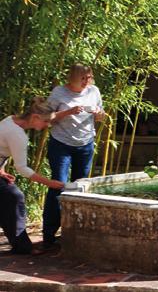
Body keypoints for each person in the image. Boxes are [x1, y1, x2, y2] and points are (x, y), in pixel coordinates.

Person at [44, 63, 106, 248]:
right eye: (83, 78)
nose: (87, 81)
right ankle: (49, 233)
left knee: (80, 187)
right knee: (59, 185)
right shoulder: (58, 92)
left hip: (85, 144)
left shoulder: (93, 91)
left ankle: (75, 232)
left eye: (89, 77)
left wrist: (99, 115)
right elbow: (47, 117)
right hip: (61, 144)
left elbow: (101, 115)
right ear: (73, 78)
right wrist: (69, 112)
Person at [0, 98, 65, 255]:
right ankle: (22, 247)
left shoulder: (10, 120)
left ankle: (21, 246)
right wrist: (49, 183)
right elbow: (22, 168)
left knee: (8, 197)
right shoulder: (18, 134)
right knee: (14, 197)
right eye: (46, 122)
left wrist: (1, 170)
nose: (47, 126)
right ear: (35, 117)